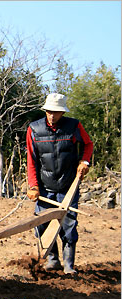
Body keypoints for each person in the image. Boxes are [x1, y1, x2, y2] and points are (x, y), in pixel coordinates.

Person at [26, 93, 93, 274]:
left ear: (62, 112)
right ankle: (53, 259)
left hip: (68, 185)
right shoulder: (34, 129)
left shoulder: (74, 126)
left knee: (69, 225)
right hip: (45, 187)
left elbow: (88, 144)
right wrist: (33, 186)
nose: (52, 116)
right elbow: (31, 160)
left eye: (56, 112)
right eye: (49, 111)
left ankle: (69, 265)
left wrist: (84, 162)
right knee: (42, 224)